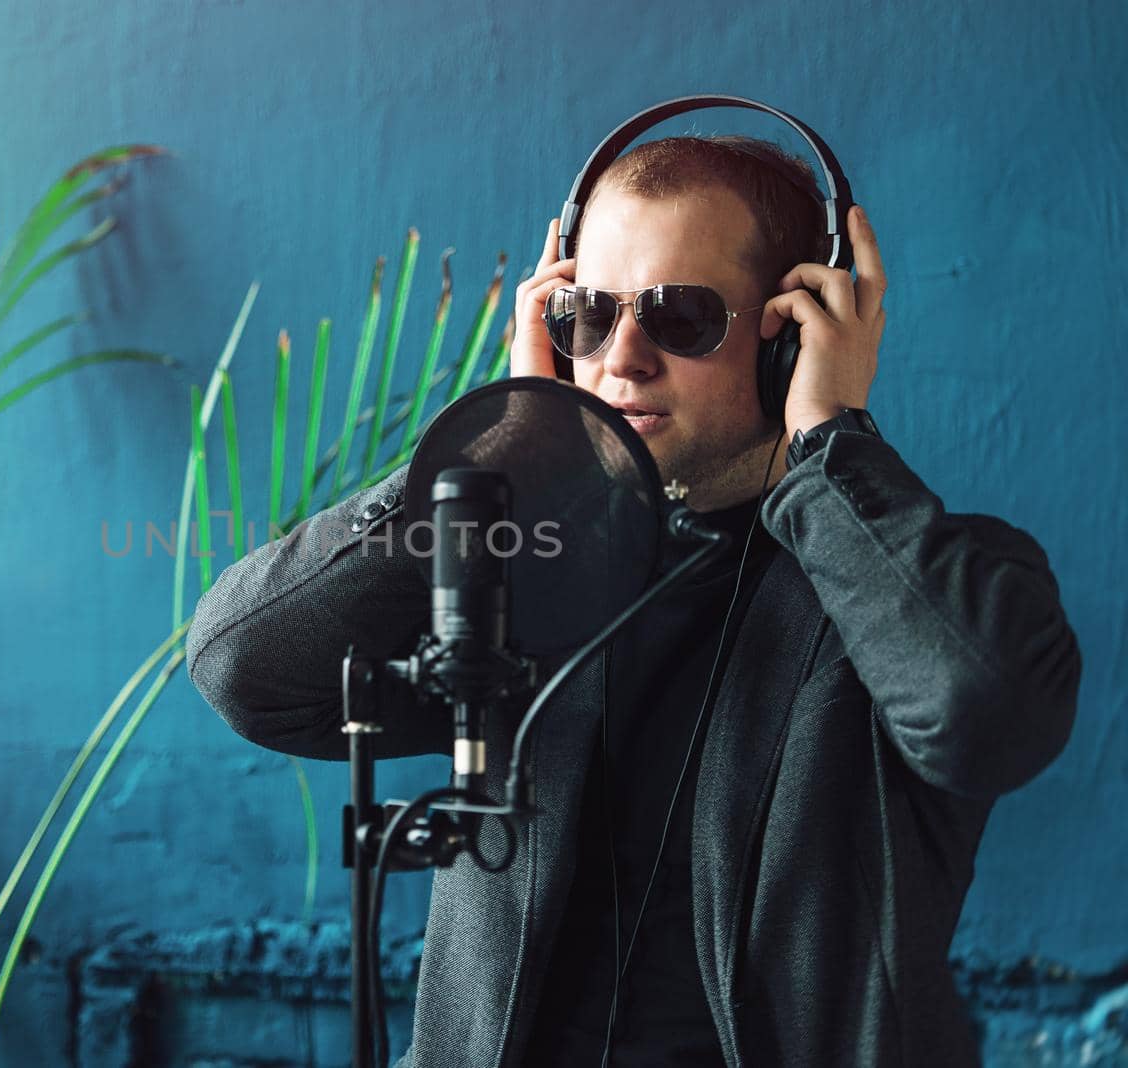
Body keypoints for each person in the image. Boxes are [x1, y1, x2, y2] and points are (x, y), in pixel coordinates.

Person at [185, 134, 1082, 1066]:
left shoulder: (922, 579)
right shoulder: (518, 568)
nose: (622, 357)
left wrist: (831, 443)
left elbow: (986, 715)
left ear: (795, 332)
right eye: (587, 314)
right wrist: (495, 451)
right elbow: (247, 672)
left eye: (680, 315)